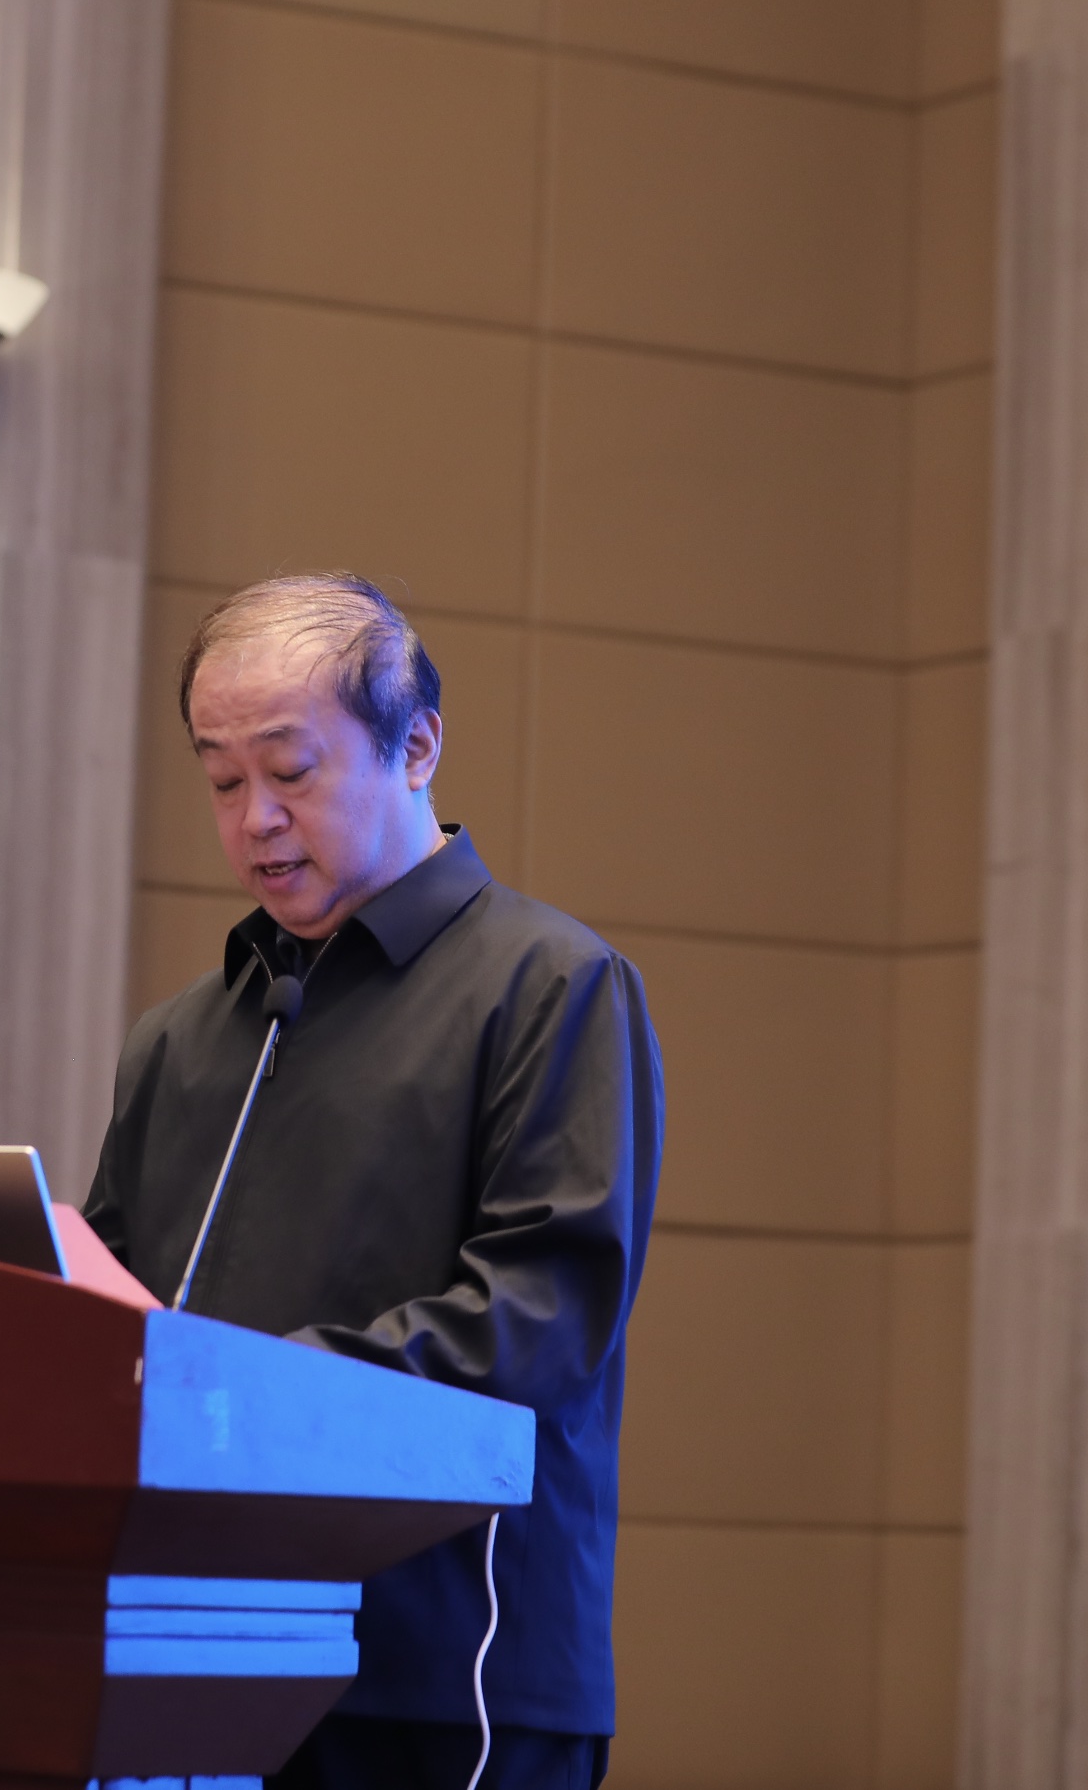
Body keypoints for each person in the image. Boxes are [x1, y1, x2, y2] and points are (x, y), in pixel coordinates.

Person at [83, 573, 663, 1790]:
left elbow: (533, 1321)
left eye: (291, 771)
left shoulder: (551, 986)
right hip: (189, 1650)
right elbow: (111, 1318)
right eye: (221, 781)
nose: (255, 819)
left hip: (445, 1672)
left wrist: (246, 1391)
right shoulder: (179, 1038)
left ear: (417, 747)